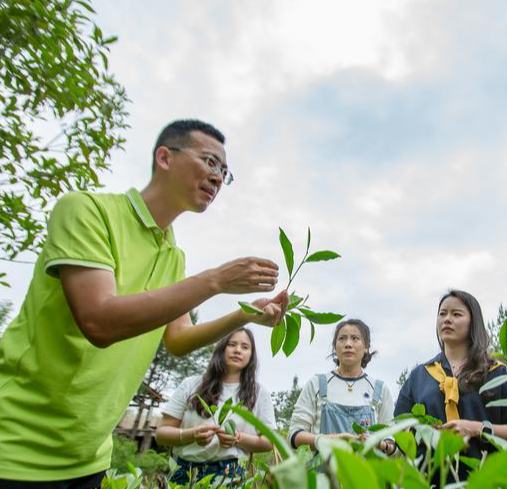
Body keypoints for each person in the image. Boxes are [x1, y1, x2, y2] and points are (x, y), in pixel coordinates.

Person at [0, 119, 288, 486]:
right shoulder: (87, 212)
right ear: (165, 157)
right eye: (210, 162)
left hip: (88, 456)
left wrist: (247, 314)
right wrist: (215, 280)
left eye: (225, 172)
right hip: (15, 446)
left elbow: (177, 340)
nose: (218, 177)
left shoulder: (173, 257)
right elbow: (100, 322)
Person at [395, 290, 507, 481]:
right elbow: (400, 428)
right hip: (433, 481)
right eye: (442, 314)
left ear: (473, 322)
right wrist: (427, 436)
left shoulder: (495, 373)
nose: (447, 319)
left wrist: (477, 429)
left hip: (488, 480)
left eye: (456, 314)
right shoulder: (420, 376)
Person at [156, 328, 276, 484]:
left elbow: (269, 442)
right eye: (232, 344)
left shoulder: (259, 393)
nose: (238, 350)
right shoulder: (191, 385)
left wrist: (237, 438)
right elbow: (162, 434)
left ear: (251, 356)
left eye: (245, 347)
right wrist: (191, 435)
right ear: (222, 348)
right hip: (184, 471)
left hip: (231, 473)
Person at [289, 319, 396, 455]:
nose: (348, 344)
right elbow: (294, 436)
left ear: (366, 346)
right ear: (335, 346)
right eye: (342, 339)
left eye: (355, 338)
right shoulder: (317, 384)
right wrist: (326, 440)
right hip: (322, 474)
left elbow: (392, 444)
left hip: (366, 474)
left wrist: (381, 445)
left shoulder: (379, 389)